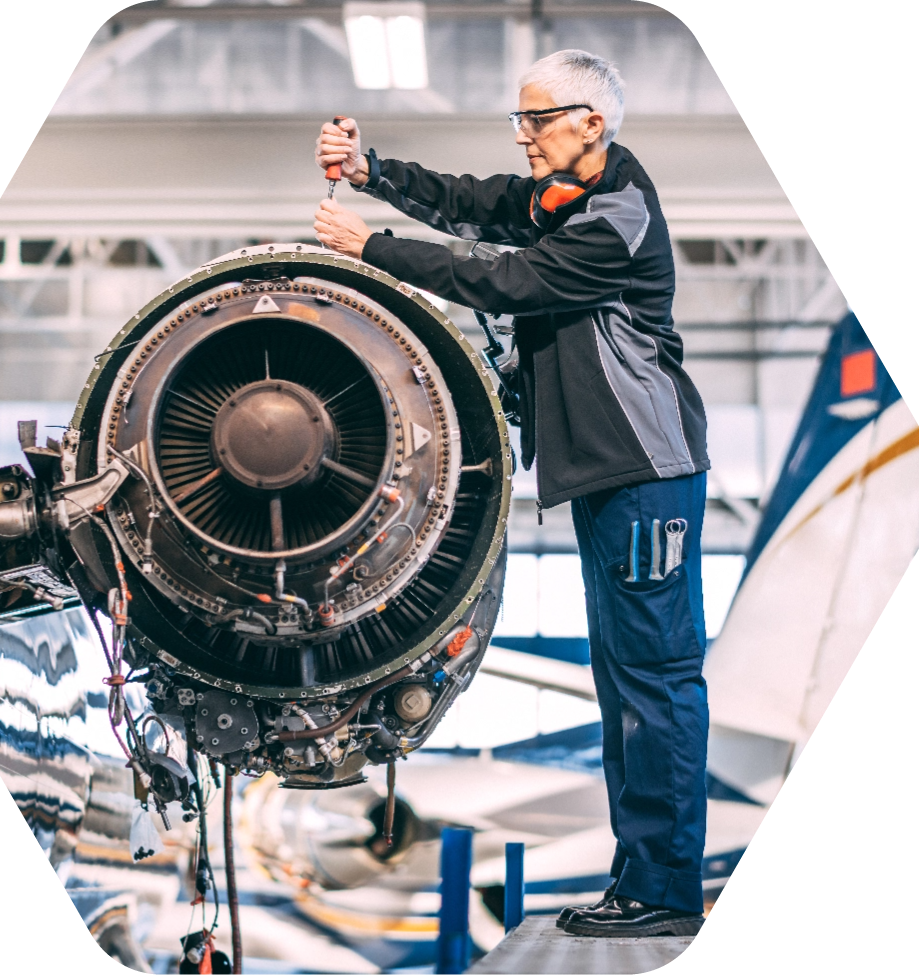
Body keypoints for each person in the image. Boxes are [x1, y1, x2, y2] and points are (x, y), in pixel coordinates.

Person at [314, 50, 710, 938]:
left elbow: (508, 279)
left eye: (535, 121)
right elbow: (475, 204)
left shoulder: (616, 217)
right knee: (624, 682)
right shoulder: (563, 194)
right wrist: (372, 171)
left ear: (588, 126)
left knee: (654, 681)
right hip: (611, 479)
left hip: (649, 477)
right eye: (519, 121)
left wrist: (369, 247)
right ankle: (640, 878)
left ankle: (665, 890)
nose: (522, 136)